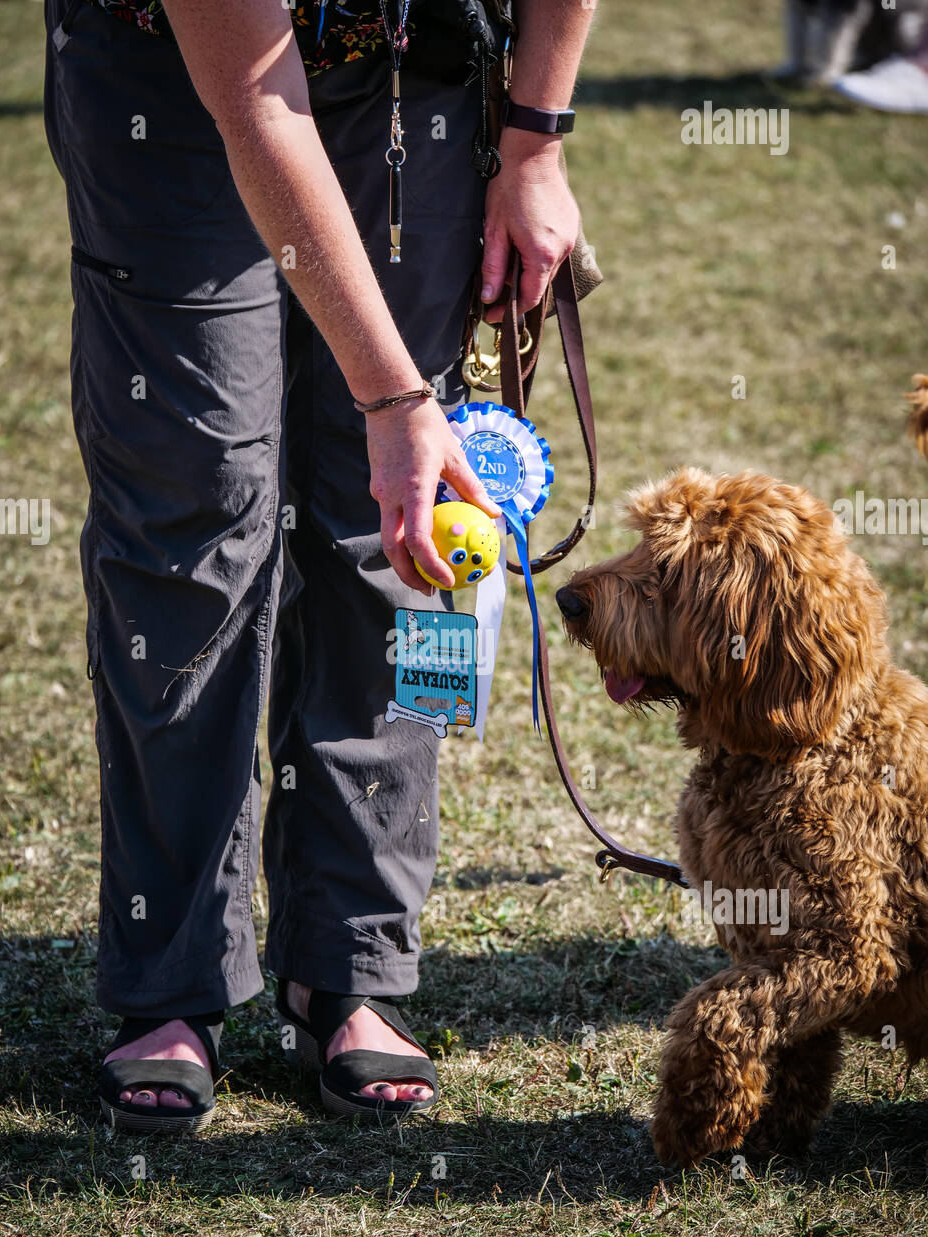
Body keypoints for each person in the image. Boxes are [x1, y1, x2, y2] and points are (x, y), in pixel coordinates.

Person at [43, 0, 593, 1130]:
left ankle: (353, 958)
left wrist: (535, 138)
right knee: (191, 530)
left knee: (390, 529)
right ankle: (170, 978)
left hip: (411, 78)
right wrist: (394, 396)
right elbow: (255, 98)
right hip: (182, 84)